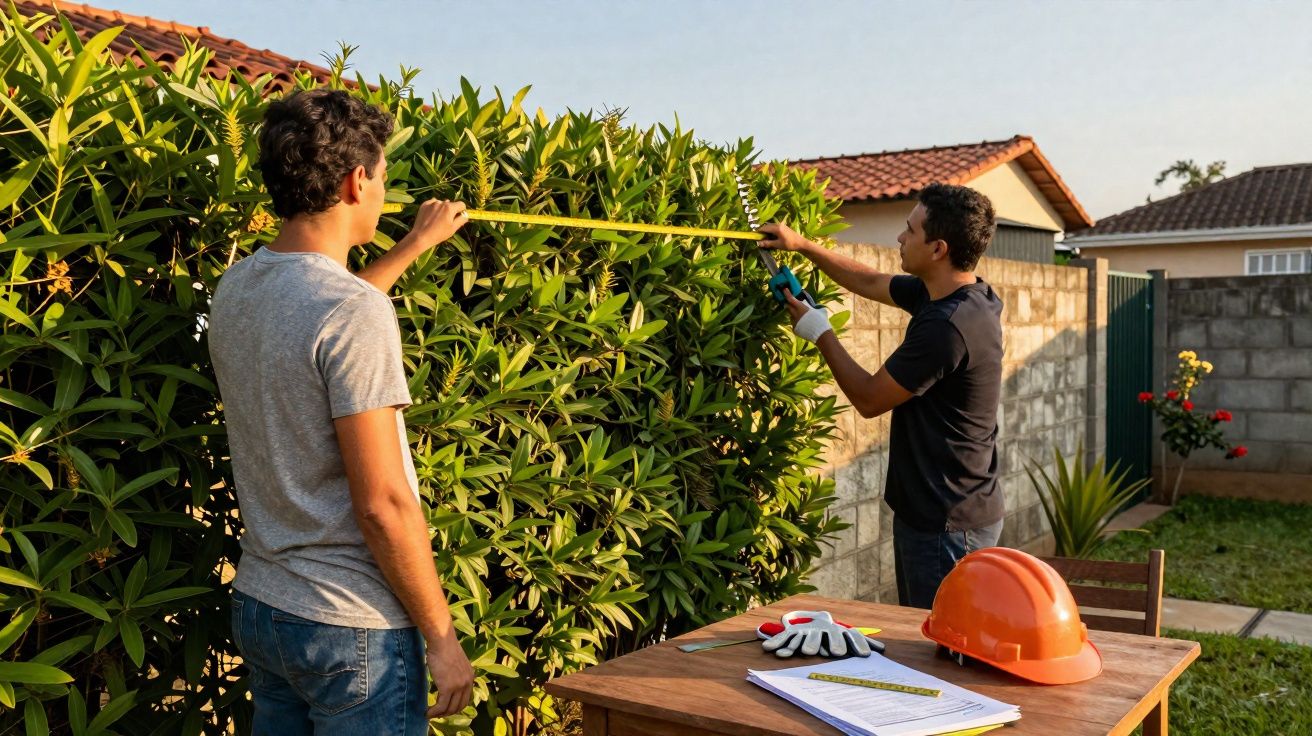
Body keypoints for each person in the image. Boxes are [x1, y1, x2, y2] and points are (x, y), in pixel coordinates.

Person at [209, 89, 473, 734]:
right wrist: (441, 636)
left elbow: (328, 320)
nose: (384, 192)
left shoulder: (241, 284)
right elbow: (382, 502)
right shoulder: (350, 312)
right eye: (383, 177)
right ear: (358, 180)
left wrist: (415, 243)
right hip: (351, 629)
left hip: (266, 604)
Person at [758, 183, 1005, 609]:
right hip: (941, 511)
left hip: (948, 524)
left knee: (939, 650)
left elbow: (870, 399)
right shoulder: (956, 293)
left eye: (910, 230)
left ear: (938, 248)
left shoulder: (947, 327)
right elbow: (869, 279)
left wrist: (819, 330)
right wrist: (802, 246)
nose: (900, 237)